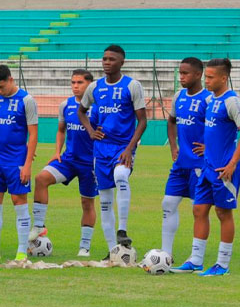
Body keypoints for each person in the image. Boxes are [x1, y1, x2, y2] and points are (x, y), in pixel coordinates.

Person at [173, 58, 239, 276]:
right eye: (206, 76)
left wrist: (231, 165)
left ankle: (222, 264)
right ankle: (196, 260)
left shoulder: (232, 101)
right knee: (199, 209)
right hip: (207, 167)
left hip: (224, 169)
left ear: (223, 77)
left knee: (223, 213)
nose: (206, 80)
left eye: (210, 77)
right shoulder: (211, 100)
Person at [77, 45, 146, 255]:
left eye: (112, 59)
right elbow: (82, 111)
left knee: (121, 176)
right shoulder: (95, 87)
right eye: (105, 59)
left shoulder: (132, 85)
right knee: (105, 200)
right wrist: (90, 131)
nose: (107, 62)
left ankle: (122, 230)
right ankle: (113, 251)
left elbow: (142, 121)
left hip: (122, 148)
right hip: (101, 150)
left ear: (122, 62)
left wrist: (130, 148)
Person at [31, 69, 99, 258]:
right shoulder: (65, 105)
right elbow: (61, 130)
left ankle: (84, 246)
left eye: (80, 83)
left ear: (90, 85)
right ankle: (39, 225)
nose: (75, 86)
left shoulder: (98, 107)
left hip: (90, 164)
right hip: (68, 159)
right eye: (73, 83)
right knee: (41, 178)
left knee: (87, 203)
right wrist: (57, 151)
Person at [0, 65, 38, 262]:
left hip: (16, 161)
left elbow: (33, 134)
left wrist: (27, 163)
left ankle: (21, 251)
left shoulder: (26, 100)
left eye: (2, 87)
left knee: (18, 202)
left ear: (11, 80)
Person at [160, 58, 211, 260]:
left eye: (185, 73)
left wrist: (211, 147)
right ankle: (166, 254)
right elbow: (171, 121)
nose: (181, 77)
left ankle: (196, 256)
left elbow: (223, 128)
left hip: (200, 166)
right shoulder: (178, 97)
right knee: (168, 204)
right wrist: (174, 146)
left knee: (198, 211)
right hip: (180, 165)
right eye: (180, 73)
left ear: (198, 74)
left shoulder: (208, 99)